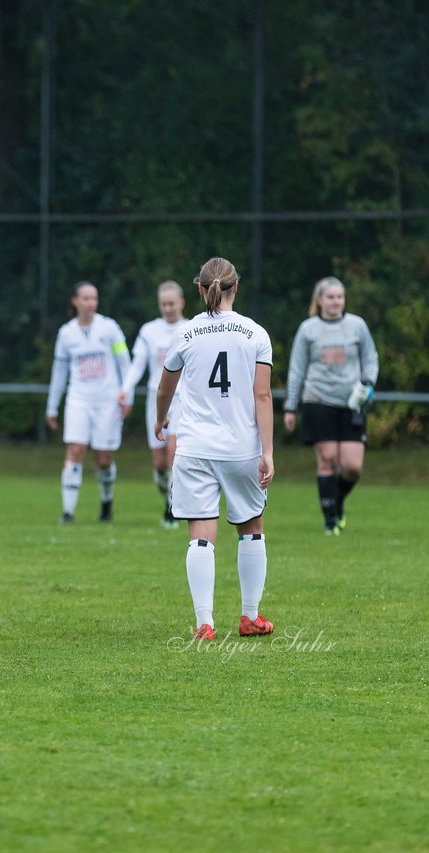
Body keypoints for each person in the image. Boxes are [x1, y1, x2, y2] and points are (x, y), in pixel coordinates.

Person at [154, 257, 274, 641]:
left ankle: (205, 623)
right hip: (242, 449)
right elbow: (263, 395)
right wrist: (267, 451)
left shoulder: (185, 334)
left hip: (195, 449)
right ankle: (250, 616)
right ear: (235, 287)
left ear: (199, 290)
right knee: (251, 529)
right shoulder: (255, 333)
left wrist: (160, 420)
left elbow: (164, 390)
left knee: (200, 535)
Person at [282, 276, 380, 535]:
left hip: (352, 403)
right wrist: (290, 407)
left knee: (352, 467)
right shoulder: (308, 329)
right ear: (320, 300)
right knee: (328, 460)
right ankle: (330, 521)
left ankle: (335, 501)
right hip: (318, 401)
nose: (336, 302)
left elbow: (370, 358)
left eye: (340, 297)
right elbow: (296, 370)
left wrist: (368, 382)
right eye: (331, 297)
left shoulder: (357, 326)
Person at [45, 281, 131, 523]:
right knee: (75, 449)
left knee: (104, 459)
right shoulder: (66, 333)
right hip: (78, 399)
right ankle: (68, 512)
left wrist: (127, 394)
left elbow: (125, 361)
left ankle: (106, 502)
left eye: (94, 298)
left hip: (107, 400)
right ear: (75, 301)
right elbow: (59, 372)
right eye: (85, 298)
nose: (91, 303)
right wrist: (52, 406)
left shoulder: (110, 328)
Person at [119, 280, 187, 528]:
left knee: (174, 453)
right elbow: (137, 364)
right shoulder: (149, 331)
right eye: (163, 304)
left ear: (181, 303)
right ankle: (166, 498)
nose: (167, 308)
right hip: (155, 400)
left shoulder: (191, 329)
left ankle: (173, 508)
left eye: (171, 303)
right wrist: (125, 389)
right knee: (159, 463)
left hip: (181, 399)